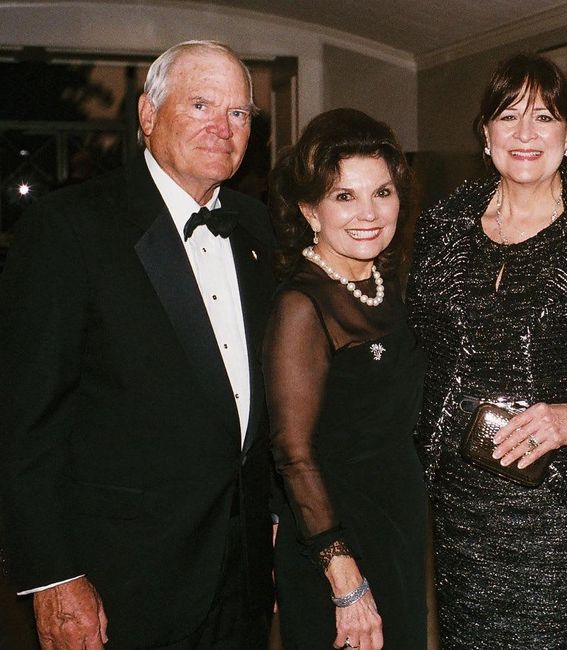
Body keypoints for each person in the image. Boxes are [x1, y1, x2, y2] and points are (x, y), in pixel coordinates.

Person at [0, 40, 276, 648]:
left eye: (238, 114)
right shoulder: (69, 227)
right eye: (200, 104)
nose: (222, 127)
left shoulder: (257, 225)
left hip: (245, 576)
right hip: (122, 582)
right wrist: (53, 575)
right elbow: (26, 424)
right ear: (148, 116)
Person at [408, 54, 567, 648]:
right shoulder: (445, 223)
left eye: (544, 117)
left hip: (561, 498)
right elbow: (418, 343)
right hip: (460, 495)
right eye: (508, 116)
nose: (525, 134)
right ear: (485, 132)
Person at [264, 108, 427, 650]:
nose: (369, 213)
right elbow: (293, 452)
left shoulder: (385, 283)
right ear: (311, 210)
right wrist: (342, 575)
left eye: (382, 192)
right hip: (335, 534)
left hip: (396, 520)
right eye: (344, 196)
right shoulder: (302, 305)